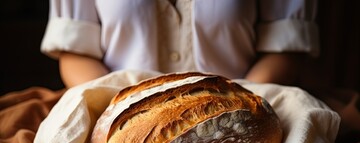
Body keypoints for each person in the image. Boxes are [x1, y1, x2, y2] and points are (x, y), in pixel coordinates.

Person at [41, 0, 319, 88]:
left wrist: (243, 106)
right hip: (118, 114)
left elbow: (285, 47)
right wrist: (115, 110)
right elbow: (75, 51)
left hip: (248, 104)